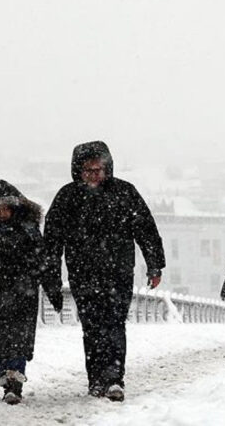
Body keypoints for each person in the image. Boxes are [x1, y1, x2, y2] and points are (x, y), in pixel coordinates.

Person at [43, 141, 165, 402]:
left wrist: (155, 264)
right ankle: (96, 379)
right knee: (92, 326)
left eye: (99, 169)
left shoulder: (124, 193)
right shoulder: (67, 197)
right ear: (79, 171)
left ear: (107, 168)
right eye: (88, 170)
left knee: (114, 323)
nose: (94, 175)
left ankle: (113, 378)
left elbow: (145, 229)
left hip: (118, 272)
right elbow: (52, 241)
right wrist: (51, 276)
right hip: (83, 274)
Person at [0, 180, 64, 405]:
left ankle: (14, 382)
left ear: (16, 207)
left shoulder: (29, 231)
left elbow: (44, 263)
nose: (2, 213)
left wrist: (53, 290)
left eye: (6, 207)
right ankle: (7, 378)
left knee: (18, 339)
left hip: (23, 295)